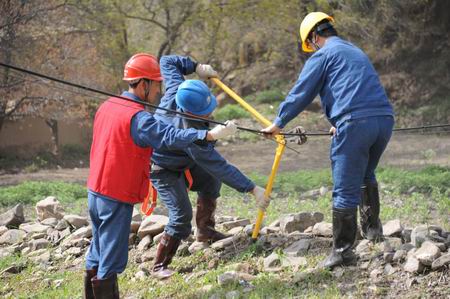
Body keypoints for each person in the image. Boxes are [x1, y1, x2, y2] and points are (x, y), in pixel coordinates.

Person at [84, 53, 238, 298]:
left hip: (95, 191)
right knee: (110, 261)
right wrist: (207, 136)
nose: (159, 90)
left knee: (97, 250)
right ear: (143, 84)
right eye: (156, 85)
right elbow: (169, 136)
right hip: (116, 194)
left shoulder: (108, 105)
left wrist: (195, 66)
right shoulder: (139, 118)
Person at [262, 12, 395, 269]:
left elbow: (302, 92)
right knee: (366, 173)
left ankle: (343, 253)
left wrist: (278, 123)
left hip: (356, 122)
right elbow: (355, 88)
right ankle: (372, 232)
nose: (311, 48)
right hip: (384, 120)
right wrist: (340, 123)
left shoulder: (323, 55)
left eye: (310, 43)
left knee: (345, 188)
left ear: (313, 36)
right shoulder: (355, 50)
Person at [149, 55, 270, 279]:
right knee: (180, 215)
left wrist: (195, 66)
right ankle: (159, 266)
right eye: (205, 113)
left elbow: (167, 61)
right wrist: (252, 188)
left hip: (185, 160)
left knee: (209, 180)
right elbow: (220, 166)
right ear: (189, 112)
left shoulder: (178, 88)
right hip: (163, 168)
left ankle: (205, 231)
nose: (210, 114)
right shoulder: (192, 139)